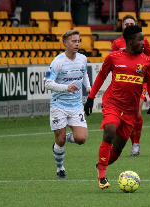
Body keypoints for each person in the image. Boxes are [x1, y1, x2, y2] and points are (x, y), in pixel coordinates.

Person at [84, 25, 150, 189]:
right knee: (110, 130)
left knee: (117, 150)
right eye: (140, 39)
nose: (143, 43)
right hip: (113, 103)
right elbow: (101, 76)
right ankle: (102, 175)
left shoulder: (146, 62)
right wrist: (90, 98)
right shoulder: (113, 57)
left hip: (131, 111)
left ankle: (100, 165)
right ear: (130, 41)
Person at [44, 29, 91, 178]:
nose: (77, 44)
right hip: (59, 105)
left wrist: (88, 86)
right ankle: (60, 168)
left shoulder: (83, 59)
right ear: (65, 43)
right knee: (60, 140)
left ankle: (66, 136)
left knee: (81, 139)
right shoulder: (58, 62)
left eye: (78, 41)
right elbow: (47, 83)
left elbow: (84, 73)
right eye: (73, 41)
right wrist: (66, 88)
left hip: (76, 105)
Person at [112, 14, 150, 156]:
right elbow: (115, 62)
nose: (129, 26)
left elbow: (149, 57)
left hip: (139, 82)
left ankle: (135, 143)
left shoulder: (143, 41)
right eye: (126, 24)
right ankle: (119, 139)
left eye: (131, 24)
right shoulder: (117, 43)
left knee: (136, 111)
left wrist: (140, 65)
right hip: (124, 82)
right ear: (122, 26)